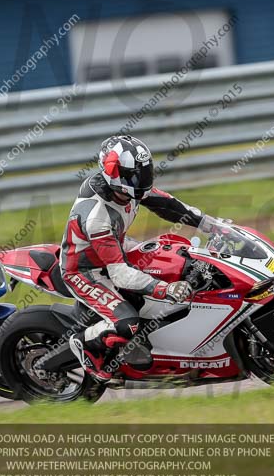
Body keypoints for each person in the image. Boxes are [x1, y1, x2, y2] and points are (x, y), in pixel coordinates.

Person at [62, 135, 210, 382]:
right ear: (113, 173)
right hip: (87, 271)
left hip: (116, 248)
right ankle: (85, 343)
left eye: (144, 172)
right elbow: (119, 273)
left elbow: (170, 206)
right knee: (127, 324)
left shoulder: (126, 190)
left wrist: (210, 224)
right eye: (134, 175)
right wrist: (164, 289)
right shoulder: (98, 216)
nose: (141, 180)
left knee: (176, 254)